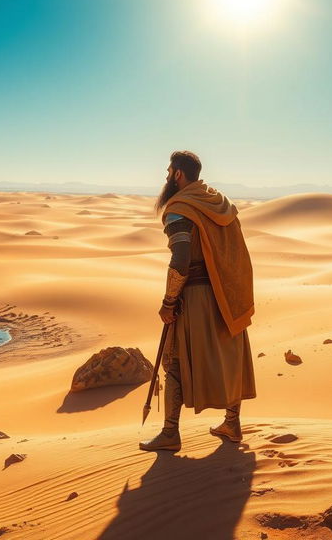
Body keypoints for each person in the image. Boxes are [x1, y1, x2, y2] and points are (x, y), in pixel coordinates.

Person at [139, 150, 257, 452]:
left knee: (173, 360)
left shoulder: (180, 208)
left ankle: (170, 433)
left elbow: (180, 260)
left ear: (178, 174)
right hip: (228, 295)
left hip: (197, 296)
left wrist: (168, 302)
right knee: (230, 361)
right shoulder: (221, 204)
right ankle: (232, 424)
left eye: (168, 171)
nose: (166, 177)